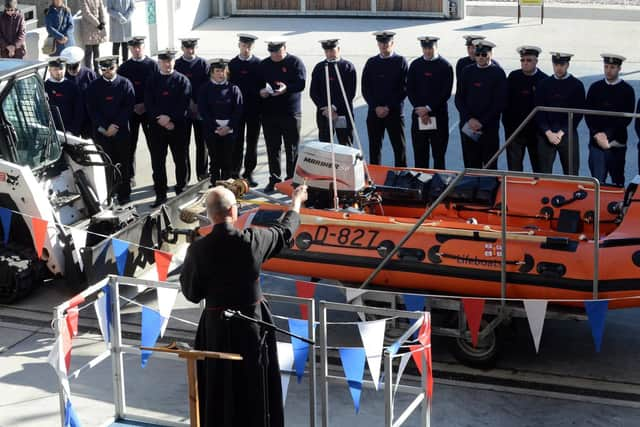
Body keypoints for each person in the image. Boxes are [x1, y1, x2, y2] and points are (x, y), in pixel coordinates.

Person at [180, 182, 308, 427]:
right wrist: (296, 202)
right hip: (252, 327)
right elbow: (284, 231)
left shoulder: (198, 250)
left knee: (218, 385)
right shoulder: (252, 241)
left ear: (209, 214)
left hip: (216, 329)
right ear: (233, 211)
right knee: (254, 385)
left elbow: (192, 294)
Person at [144, 49, 192, 207]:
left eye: (170, 61)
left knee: (181, 160)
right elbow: (149, 104)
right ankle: (160, 194)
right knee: (158, 162)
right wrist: (161, 120)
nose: (167, 64)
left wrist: (170, 118)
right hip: (157, 128)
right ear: (159, 62)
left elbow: (183, 103)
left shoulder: (182, 80)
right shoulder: (151, 80)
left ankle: (181, 190)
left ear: (174, 62)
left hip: (178, 127)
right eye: (164, 61)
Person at [258, 39, 306, 193]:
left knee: (291, 147)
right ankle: (274, 179)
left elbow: (301, 83)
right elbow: (257, 84)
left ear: (285, 49)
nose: (275, 56)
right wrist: (260, 92)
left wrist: (287, 88)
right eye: (272, 53)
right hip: (269, 113)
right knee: (273, 148)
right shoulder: (264, 64)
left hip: (290, 113)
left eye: (278, 52)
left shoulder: (295, 62)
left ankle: (291, 180)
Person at [86, 56, 135, 204]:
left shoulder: (125, 84)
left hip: (121, 132)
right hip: (103, 133)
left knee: (124, 163)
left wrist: (115, 125)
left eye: (111, 69)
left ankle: (124, 193)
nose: (107, 72)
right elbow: (92, 110)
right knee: (107, 164)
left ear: (116, 67)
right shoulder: (94, 87)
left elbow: (128, 107)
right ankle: (110, 194)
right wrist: (105, 128)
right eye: (104, 69)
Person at [454, 39, 507, 169]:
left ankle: (489, 189)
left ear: (491, 54)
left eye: (484, 54)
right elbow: (459, 98)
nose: (480, 57)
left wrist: (482, 121)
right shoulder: (467, 71)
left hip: (489, 127)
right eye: (478, 54)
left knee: (490, 163)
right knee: (471, 162)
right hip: (469, 126)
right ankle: (471, 188)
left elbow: (499, 102)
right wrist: (469, 119)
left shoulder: (498, 73)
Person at [585, 54, 635, 186]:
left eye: (612, 67)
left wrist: (607, 136)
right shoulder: (595, 88)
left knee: (617, 181)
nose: (608, 70)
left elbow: (626, 118)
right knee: (597, 182)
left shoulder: (627, 90)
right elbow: (589, 114)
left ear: (619, 68)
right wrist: (597, 134)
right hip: (596, 143)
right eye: (606, 66)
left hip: (616, 144)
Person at [362, 31, 408, 167]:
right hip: (374, 112)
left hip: (394, 112)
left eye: (386, 43)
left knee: (399, 148)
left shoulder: (400, 61)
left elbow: (404, 88)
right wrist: (375, 106)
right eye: (381, 43)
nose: (383, 46)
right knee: (374, 148)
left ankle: (401, 176)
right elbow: (365, 88)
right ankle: (376, 179)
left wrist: (388, 107)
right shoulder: (371, 62)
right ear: (378, 44)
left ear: (392, 43)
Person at [535, 52, 586, 175]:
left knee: (571, 173)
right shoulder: (544, 84)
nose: (558, 67)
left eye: (562, 64)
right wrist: (547, 132)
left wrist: (560, 133)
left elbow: (577, 114)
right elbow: (538, 111)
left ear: (567, 65)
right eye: (556, 64)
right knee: (544, 174)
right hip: (546, 135)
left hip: (567, 134)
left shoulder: (576, 85)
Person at [407, 36, 453, 169]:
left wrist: (428, 108)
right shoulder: (415, 65)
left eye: (430, 48)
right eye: (425, 48)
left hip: (438, 117)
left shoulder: (445, 66)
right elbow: (410, 89)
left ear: (436, 47)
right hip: (419, 116)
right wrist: (420, 109)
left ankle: (439, 186)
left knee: (439, 155)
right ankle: (421, 185)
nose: (427, 51)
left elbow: (445, 93)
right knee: (420, 155)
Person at [118, 36, 159, 186]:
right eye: (133, 47)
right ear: (129, 49)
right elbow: (121, 91)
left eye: (139, 47)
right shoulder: (124, 67)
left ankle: (158, 177)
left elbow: (156, 90)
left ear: (143, 47)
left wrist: (146, 105)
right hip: (132, 112)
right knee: (130, 146)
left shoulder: (153, 65)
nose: (136, 50)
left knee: (154, 145)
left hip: (149, 112)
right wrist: (134, 105)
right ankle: (130, 177)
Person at [502, 46, 548, 172]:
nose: (525, 63)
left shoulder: (544, 80)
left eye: (529, 60)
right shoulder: (513, 77)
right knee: (514, 168)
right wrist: (508, 126)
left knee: (539, 168)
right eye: (522, 60)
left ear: (536, 61)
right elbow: (506, 102)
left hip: (536, 132)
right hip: (515, 131)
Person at [198, 59, 243, 184]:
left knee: (228, 159)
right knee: (215, 159)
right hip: (212, 130)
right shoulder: (205, 89)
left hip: (229, 130)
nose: (220, 74)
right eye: (217, 71)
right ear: (212, 73)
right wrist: (215, 127)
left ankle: (227, 186)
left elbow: (238, 109)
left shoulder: (234, 89)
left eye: (222, 71)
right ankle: (215, 184)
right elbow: (203, 110)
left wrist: (228, 127)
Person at [310, 38, 357, 147]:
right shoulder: (320, 67)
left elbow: (350, 92)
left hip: (342, 113)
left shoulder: (347, 67)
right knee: (325, 144)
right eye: (326, 51)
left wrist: (334, 107)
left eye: (332, 50)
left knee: (345, 143)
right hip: (324, 113)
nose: (329, 53)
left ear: (338, 49)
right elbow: (313, 92)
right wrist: (326, 108)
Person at [229, 33, 261, 187]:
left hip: (254, 110)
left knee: (252, 143)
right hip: (237, 111)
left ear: (252, 47)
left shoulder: (258, 64)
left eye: (249, 46)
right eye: (243, 45)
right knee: (236, 142)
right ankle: (235, 172)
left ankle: (249, 173)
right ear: (239, 46)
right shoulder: (232, 64)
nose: (246, 48)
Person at [175, 38, 209, 182]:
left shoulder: (203, 64)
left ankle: (202, 174)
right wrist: (188, 102)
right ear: (182, 48)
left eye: (193, 47)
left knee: (202, 144)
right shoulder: (177, 64)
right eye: (187, 48)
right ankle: (184, 177)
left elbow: (207, 86)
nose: (190, 50)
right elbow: (175, 88)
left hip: (200, 110)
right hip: (183, 111)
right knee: (183, 145)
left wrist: (198, 104)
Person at [61, 46, 97, 139]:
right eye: (69, 68)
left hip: (88, 119)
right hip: (71, 120)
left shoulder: (89, 74)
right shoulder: (62, 77)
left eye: (75, 67)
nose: (72, 71)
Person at [45, 58, 82, 136]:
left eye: (61, 69)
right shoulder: (44, 87)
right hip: (51, 133)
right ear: (49, 70)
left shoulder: (72, 86)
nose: (58, 72)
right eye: (55, 69)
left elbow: (79, 111)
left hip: (70, 133)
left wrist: (72, 130)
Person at [78, 0, 106, 71]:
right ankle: (88, 71)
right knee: (88, 51)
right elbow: (86, 13)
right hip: (88, 27)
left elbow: (101, 9)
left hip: (97, 28)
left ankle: (97, 69)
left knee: (96, 50)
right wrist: (98, 23)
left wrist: (102, 21)